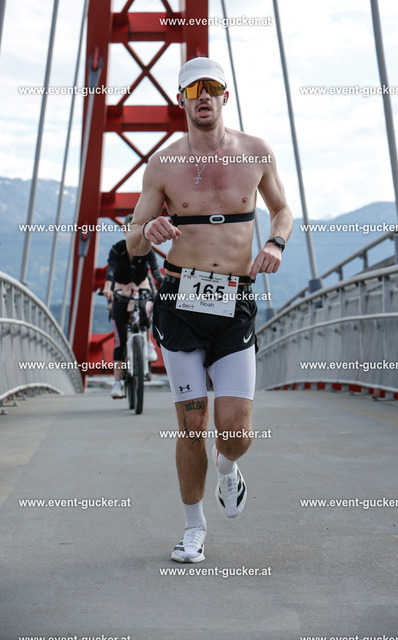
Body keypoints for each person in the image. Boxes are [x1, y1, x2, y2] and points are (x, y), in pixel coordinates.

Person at [127, 57, 293, 562]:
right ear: (180, 99)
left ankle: (228, 468)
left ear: (225, 95)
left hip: (234, 301)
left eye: (212, 87)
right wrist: (149, 230)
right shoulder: (163, 165)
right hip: (180, 302)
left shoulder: (256, 151)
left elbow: (282, 209)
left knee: (236, 432)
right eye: (193, 88)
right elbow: (134, 241)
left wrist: (276, 243)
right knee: (192, 425)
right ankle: (193, 527)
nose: (203, 95)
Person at [103, 214, 163, 398]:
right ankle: (117, 382)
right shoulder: (117, 249)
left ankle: (147, 343)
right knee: (120, 339)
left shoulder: (147, 249)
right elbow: (111, 269)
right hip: (120, 291)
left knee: (147, 309)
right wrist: (107, 287)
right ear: (124, 231)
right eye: (130, 229)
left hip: (141, 288)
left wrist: (164, 286)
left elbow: (155, 270)